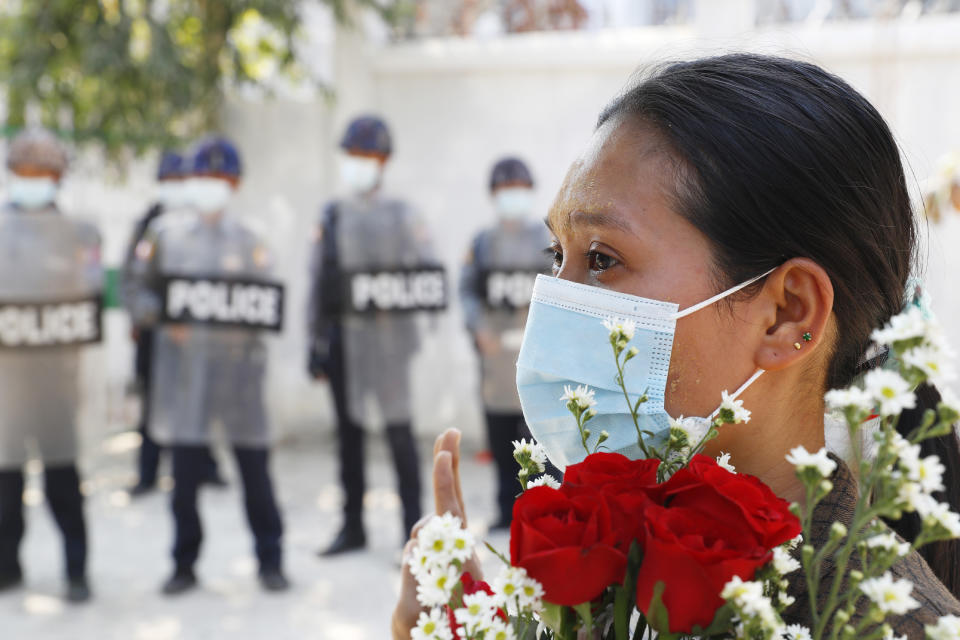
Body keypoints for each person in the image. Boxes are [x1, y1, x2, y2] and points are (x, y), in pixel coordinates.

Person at [392, 54, 960, 638]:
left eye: (602, 260)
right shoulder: (618, 562)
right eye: (556, 255)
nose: (554, 304)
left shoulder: (887, 623)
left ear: (787, 314)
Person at [127, 136, 288, 594]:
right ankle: (183, 564)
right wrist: (160, 317)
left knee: (255, 472)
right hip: (186, 376)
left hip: (240, 377)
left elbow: (268, 302)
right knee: (184, 481)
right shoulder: (164, 235)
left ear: (234, 183)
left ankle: (270, 560)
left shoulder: (253, 238)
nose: (211, 186)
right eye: (203, 176)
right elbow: (137, 291)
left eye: (220, 177)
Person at [307, 115, 441, 555]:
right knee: (348, 439)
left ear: (383, 161)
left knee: (399, 438)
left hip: (389, 347)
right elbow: (317, 281)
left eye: (366, 156)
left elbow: (428, 276)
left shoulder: (403, 215)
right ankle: (352, 527)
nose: (358, 164)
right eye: (352, 156)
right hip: (344, 344)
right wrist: (315, 343)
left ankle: (414, 533)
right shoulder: (332, 214)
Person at [0, 128, 101, 603]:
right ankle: (6, 567)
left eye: (43, 171)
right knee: (4, 487)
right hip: (7, 383)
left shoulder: (79, 234)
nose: (33, 179)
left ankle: (76, 572)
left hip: (58, 382)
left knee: (63, 481)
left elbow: (91, 299)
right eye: (26, 171)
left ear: (58, 178)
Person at [459, 157, 559, 529]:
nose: (512, 196)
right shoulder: (482, 244)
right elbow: (467, 291)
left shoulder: (548, 241)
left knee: (540, 442)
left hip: (537, 361)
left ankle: (542, 513)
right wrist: (477, 327)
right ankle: (505, 512)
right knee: (501, 441)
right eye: (505, 189)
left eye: (518, 187)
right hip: (495, 362)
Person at [121, 151, 223, 496]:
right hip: (157, 332)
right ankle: (148, 473)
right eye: (168, 181)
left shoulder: (204, 224)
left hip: (198, 332)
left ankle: (205, 467)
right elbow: (132, 281)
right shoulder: (148, 225)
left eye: (180, 181)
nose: (175, 188)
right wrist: (156, 318)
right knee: (152, 403)